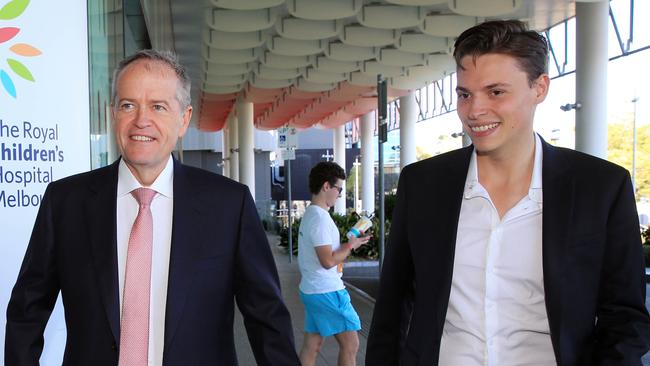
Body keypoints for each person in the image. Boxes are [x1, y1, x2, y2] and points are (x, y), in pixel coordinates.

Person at [366, 20, 650, 365]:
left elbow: (625, 318)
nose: (474, 111)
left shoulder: (601, 187)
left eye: (496, 92)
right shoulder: (423, 184)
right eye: (465, 94)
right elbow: (393, 309)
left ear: (539, 88)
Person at [5, 50, 300, 365]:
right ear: (113, 113)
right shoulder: (65, 202)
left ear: (183, 119)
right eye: (128, 105)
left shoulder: (230, 205)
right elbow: (27, 309)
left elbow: (267, 319)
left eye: (158, 106)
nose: (141, 120)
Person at [298, 162, 371, 366]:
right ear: (326, 186)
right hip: (327, 291)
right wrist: (351, 246)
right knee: (351, 345)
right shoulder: (319, 219)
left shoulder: (312, 215)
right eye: (338, 188)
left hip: (313, 289)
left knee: (312, 345)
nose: (340, 194)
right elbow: (328, 261)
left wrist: (350, 243)